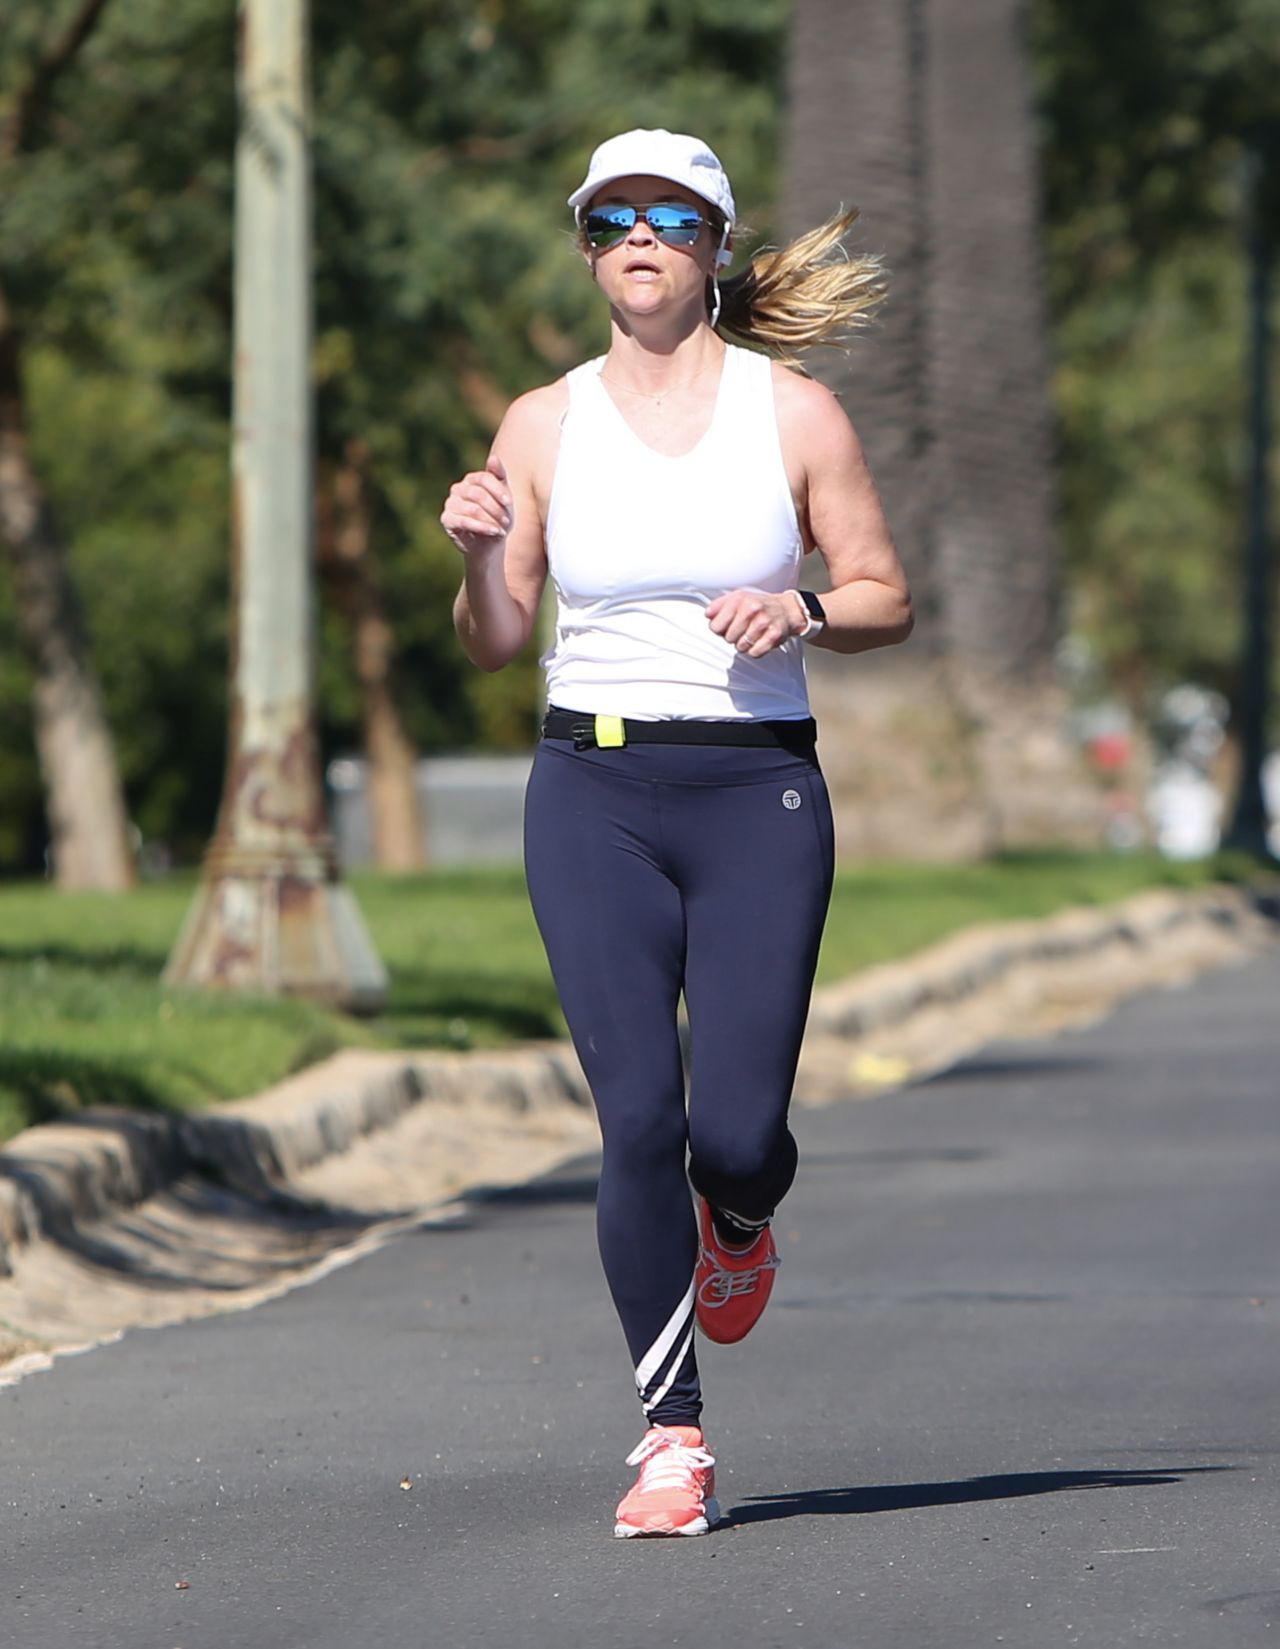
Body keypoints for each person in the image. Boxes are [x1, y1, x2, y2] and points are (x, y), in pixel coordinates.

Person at [443, 128, 912, 1538]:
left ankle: (745, 1218)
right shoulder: (542, 420)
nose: (637, 238)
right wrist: (475, 555)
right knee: (636, 1116)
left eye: (667, 216)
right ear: (590, 247)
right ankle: (672, 1438)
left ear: (711, 246)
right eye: (610, 220)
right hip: (590, 790)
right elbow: (497, 638)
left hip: (754, 788)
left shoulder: (795, 414)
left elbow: (887, 588)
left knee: (736, 1133)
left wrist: (809, 611)